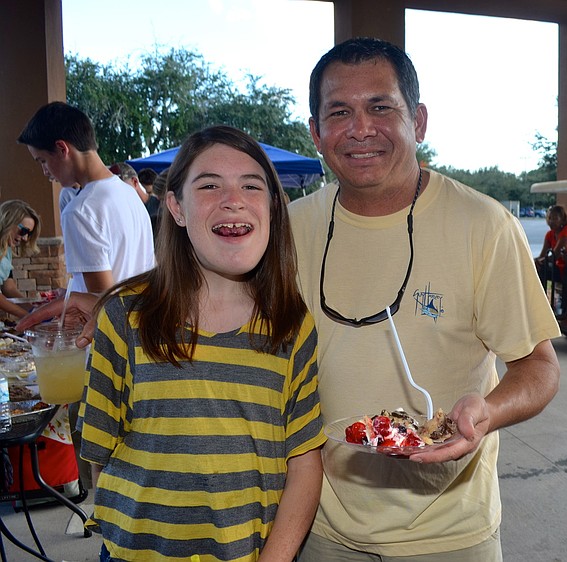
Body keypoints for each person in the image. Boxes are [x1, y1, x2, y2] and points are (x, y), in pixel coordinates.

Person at [288, 37, 561, 560]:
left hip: (450, 533)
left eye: (380, 107)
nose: (360, 129)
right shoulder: (289, 228)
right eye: (339, 112)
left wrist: (487, 411)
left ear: (418, 121)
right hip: (321, 528)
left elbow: (539, 367)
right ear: (316, 133)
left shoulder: (483, 225)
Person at [78, 125, 325, 561]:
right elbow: (99, 452)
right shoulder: (125, 315)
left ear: (272, 206)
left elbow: (305, 462)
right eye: (210, 185)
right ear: (176, 207)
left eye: (252, 185)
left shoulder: (291, 326)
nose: (233, 199)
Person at [17, 102, 155, 295]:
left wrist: (61, 305)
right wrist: (69, 295)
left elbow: (101, 301)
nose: (45, 171)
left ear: (62, 148)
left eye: (43, 161)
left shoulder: (80, 210)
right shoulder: (129, 193)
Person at [535, 205, 567, 314]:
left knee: (542, 269)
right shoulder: (550, 234)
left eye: (555, 218)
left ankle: (552, 307)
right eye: (550, 218)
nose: (551, 221)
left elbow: (555, 255)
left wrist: (541, 262)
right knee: (538, 268)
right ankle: (540, 302)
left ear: (562, 219)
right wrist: (535, 261)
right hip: (560, 268)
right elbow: (543, 255)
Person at [0, 200, 41, 320]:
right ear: (8, 221)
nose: (25, 238)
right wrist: (29, 317)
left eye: (29, 234)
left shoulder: (6, 250)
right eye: (24, 231)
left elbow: (9, 288)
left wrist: (35, 311)